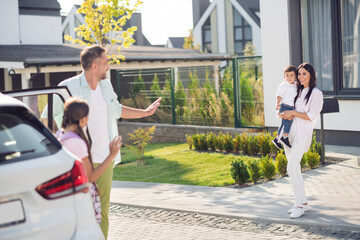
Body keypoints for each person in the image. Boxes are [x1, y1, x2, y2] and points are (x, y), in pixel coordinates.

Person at [41, 45, 161, 239]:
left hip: (106, 158)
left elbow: (117, 110)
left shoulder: (106, 86)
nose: (108, 67)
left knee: (102, 212)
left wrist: (145, 113)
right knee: (79, 211)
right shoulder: (68, 87)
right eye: (105, 63)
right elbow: (47, 116)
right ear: (94, 66)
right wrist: (60, 145)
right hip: (79, 160)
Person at [55, 97, 122, 224]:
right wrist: (111, 155)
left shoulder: (59, 135)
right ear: (82, 119)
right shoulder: (76, 143)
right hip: (78, 201)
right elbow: (90, 177)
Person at [280, 63, 323, 219]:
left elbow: (311, 115)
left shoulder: (316, 93)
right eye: (299, 74)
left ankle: (298, 205)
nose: (300, 77)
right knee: (295, 169)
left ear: (311, 75)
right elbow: (288, 107)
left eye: (304, 74)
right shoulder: (296, 91)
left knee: (291, 167)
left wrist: (293, 112)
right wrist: (285, 113)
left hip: (302, 135)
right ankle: (303, 202)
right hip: (289, 134)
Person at [271, 65, 298, 150]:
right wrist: (277, 104)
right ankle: (284, 137)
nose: (289, 77)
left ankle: (277, 139)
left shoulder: (294, 85)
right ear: (284, 76)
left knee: (283, 123)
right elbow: (279, 95)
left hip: (290, 106)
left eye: (292, 75)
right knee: (288, 121)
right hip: (285, 106)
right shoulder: (284, 85)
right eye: (287, 75)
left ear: (295, 76)